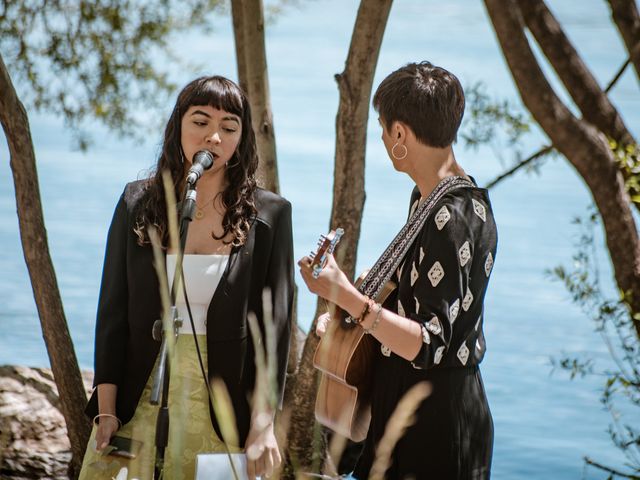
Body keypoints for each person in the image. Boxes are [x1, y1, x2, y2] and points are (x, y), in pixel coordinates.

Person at [79, 75, 294, 480]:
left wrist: (264, 424)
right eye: (200, 121)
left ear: (241, 139)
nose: (213, 136)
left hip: (224, 405)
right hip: (140, 393)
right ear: (177, 126)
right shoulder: (136, 202)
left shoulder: (270, 216)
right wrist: (106, 410)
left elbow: (275, 332)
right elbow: (112, 314)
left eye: (229, 127)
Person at [299, 62, 496, 479]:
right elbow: (411, 307)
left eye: (384, 129)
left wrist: (346, 296)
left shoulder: (452, 217)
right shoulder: (431, 201)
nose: (385, 139)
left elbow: (430, 344)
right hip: (407, 411)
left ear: (401, 134)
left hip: (433, 426)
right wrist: (344, 323)